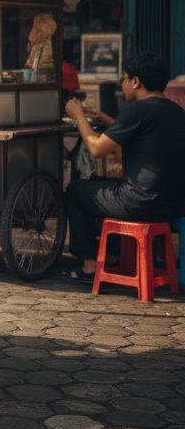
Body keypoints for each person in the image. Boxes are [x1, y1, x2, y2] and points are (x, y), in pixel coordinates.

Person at [61, 52, 185, 284]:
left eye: (124, 79)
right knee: (101, 185)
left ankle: (89, 266)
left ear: (135, 81)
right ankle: (114, 257)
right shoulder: (177, 112)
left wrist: (79, 116)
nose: (123, 84)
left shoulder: (136, 109)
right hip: (175, 205)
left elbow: (97, 148)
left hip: (141, 203)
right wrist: (108, 120)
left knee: (76, 191)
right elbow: (145, 141)